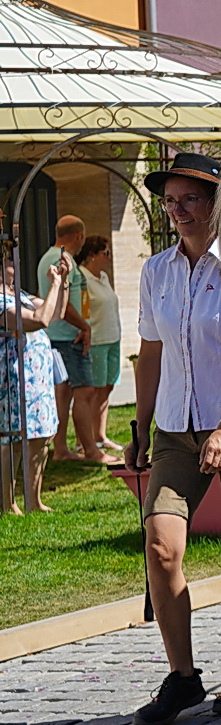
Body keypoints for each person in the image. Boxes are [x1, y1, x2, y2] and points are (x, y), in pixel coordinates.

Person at [125, 153, 221, 725]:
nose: (179, 211)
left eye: (191, 199)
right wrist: (140, 427)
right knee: (162, 546)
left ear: (217, 203)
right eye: (171, 201)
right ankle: (183, 677)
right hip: (173, 428)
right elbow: (152, 351)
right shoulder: (156, 271)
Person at [0, 250, 72, 514]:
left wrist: (63, 281)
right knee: (13, 441)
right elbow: (38, 320)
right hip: (14, 380)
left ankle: (33, 500)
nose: (16, 266)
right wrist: (54, 284)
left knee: (41, 437)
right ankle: (7, 504)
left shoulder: (19, 295)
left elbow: (55, 313)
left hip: (37, 380)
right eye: (11, 262)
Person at [35, 216, 94, 462]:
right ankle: (91, 449)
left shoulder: (47, 258)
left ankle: (60, 449)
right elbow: (64, 303)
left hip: (58, 334)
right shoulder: (62, 259)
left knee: (64, 393)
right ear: (78, 235)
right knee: (85, 390)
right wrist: (84, 327)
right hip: (68, 336)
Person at [75, 236, 123, 453]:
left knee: (107, 387)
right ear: (92, 255)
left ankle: (100, 436)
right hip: (96, 342)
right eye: (106, 253)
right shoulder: (82, 278)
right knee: (92, 391)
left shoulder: (103, 276)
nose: (109, 258)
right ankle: (83, 441)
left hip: (112, 338)